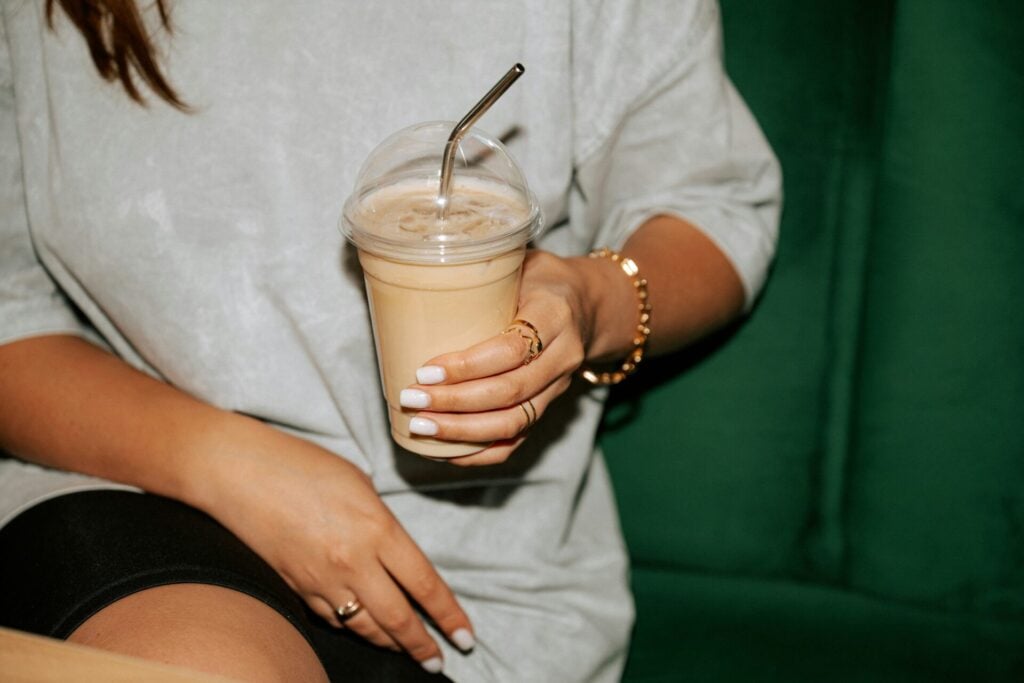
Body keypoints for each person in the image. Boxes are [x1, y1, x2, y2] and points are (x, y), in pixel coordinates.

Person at [0, 1, 780, 681]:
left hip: (474, 581)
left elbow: (714, 203)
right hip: (135, 486)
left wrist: (590, 300)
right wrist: (233, 467)